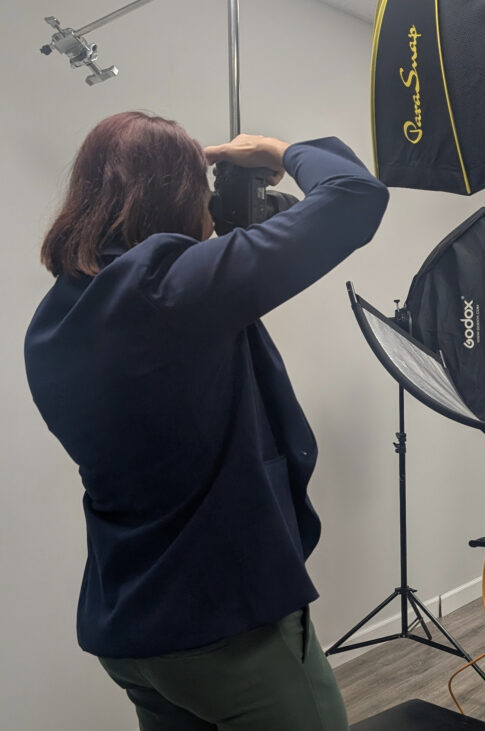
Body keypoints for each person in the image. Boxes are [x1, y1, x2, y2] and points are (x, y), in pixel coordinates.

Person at [24, 111, 389, 730]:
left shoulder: (52, 325)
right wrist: (280, 149)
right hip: (226, 628)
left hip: (130, 632)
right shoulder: (170, 293)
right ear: (175, 196)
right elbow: (355, 196)